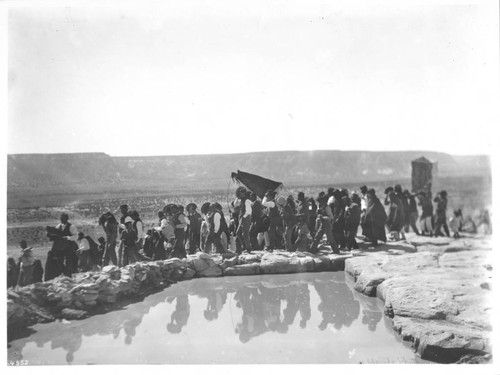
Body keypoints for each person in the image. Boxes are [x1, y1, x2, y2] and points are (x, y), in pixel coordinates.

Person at [235, 187, 252, 253]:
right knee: (238, 233)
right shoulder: (242, 200)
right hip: (242, 218)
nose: (240, 195)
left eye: (241, 193)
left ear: (244, 193)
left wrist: (243, 217)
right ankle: (244, 246)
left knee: (245, 234)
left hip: (246, 218)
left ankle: (248, 248)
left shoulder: (247, 201)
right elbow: (235, 204)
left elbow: (248, 211)